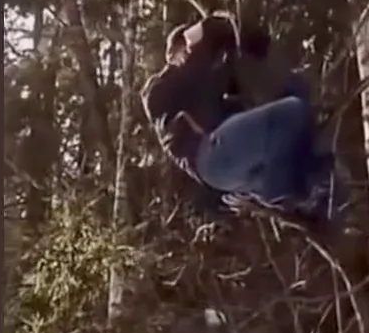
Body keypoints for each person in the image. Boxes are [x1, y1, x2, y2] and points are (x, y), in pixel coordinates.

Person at [142, 16, 338, 225]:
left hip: (231, 170)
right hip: (210, 153)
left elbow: (242, 94)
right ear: (173, 54)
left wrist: (244, 45)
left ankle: (308, 207)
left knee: (309, 157)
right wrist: (209, 32)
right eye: (186, 50)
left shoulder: (208, 85)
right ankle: (280, 196)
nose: (189, 55)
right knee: (293, 111)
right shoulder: (159, 88)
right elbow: (191, 74)